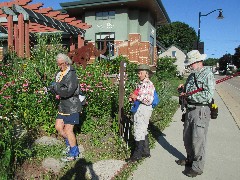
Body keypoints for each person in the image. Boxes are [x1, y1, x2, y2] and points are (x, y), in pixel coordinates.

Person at [176, 50, 215, 177]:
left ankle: (197, 167)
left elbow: (208, 96)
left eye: (191, 64)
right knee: (187, 138)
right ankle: (190, 159)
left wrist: (189, 97)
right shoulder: (192, 75)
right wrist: (183, 89)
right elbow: (189, 89)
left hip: (201, 111)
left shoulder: (208, 74)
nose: (189, 66)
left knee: (198, 140)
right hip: (190, 110)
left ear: (198, 62)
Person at [48, 53, 82, 162]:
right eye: (58, 64)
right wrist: (50, 88)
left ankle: (74, 152)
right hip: (63, 106)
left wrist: (56, 87)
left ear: (66, 63)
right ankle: (69, 145)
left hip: (72, 105)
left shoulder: (71, 74)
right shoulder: (59, 74)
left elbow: (68, 91)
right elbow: (58, 89)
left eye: (60, 64)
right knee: (58, 127)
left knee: (68, 130)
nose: (59, 66)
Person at [127, 64, 155, 163]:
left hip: (144, 109)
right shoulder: (141, 84)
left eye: (140, 73)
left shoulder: (148, 84)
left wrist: (137, 97)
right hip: (141, 108)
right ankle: (146, 151)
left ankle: (136, 156)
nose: (138, 75)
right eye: (138, 73)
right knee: (143, 130)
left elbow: (149, 100)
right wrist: (133, 97)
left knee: (138, 130)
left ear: (146, 74)